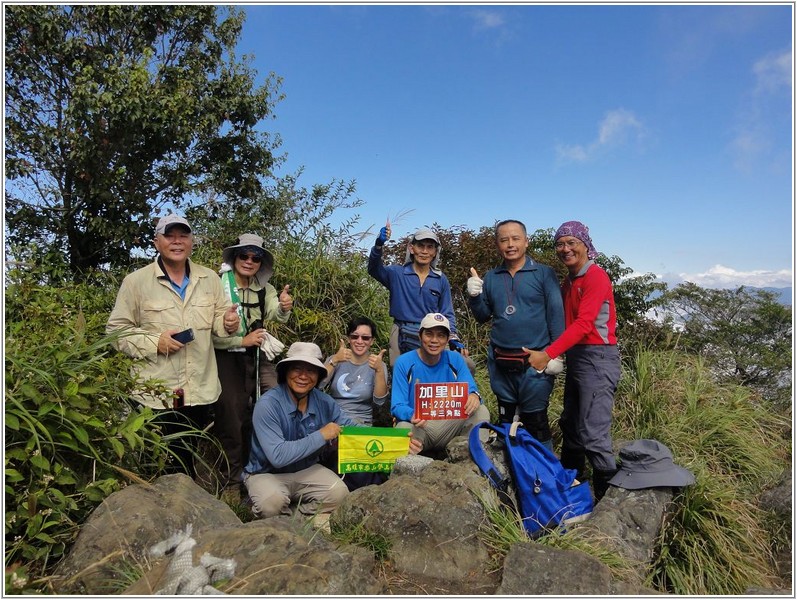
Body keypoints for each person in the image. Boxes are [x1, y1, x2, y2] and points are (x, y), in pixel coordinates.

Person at [107, 214, 241, 477]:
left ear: (192, 242)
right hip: (156, 392)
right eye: (170, 236)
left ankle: (185, 506)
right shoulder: (136, 282)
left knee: (187, 456)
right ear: (156, 242)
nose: (177, 242)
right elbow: (115, 332)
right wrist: (155, 341)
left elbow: (219, 321)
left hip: (199, 390)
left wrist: (228, 323)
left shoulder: (210, 279)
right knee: (158, 461)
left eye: (184, 236)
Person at [244, 342, 421, 519]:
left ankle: (292, 518)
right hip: (266, 472)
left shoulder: (323, 401)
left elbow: (354, 428)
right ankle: (269, 513)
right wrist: (321, 435)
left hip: (306, 470)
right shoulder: (268, 405)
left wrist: (398, 442)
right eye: (297, 369)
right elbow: (278, 456)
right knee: (271, 504)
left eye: (311, 371)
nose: (303, 376)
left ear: (319, 375)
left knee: (339, 494)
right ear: (286, 372)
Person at [527, 221, 620, 500]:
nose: (565, 249)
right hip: (579, 356)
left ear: (585, 245)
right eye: (560, 244)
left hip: (599, 357)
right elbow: (564, 323)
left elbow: (582, 325)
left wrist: (548, 354)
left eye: (571, 243)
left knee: (593, 429)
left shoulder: (595, 277)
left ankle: (607, 497)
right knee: (570, 422)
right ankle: (573, 483)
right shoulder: (570, 280)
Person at [466, 219, 565, 451]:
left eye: (515, 238)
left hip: (535, 362)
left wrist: (556, 355)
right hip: (501, 362)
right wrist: (474, 296)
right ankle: (510, 477)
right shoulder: (491, 277)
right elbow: (482, 316)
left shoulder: (543, 274)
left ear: (526, 242)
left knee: (536, 422)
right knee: (506, 422)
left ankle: (546, 478)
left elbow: (556, 315)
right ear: (497, 245)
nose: (510, 244)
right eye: (504, 240)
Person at [212, 233, 293, 489]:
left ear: (261, 262)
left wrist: (283, 306)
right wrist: (241, 341)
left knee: (273, 401)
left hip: (256, 356)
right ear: (235, 257)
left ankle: (265, 467)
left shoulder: (264, 289)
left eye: (255, 257)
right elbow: (208, 330)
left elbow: (276, 315)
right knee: (231, 414)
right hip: (226, 355)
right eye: (244, 255)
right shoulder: (218, 286)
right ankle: (232, 480)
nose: (249, 261)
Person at [368, 223, 471, 368]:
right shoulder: (397, 273)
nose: (424, 251)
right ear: (412, 248)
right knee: (402, 371)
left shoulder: (440, 279)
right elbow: (374, 269)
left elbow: (447, 312)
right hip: (401, 331)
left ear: (435, 252)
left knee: (463, 366)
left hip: (432, 333)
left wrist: (452, 336)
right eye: (420, 246)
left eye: (429, 247)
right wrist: (378, 245)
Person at [391, 313, 490, 454]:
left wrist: (474, 395)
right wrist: (412, 414)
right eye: (429, 334)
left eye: (441, 336)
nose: (434, 340)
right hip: (420, 425)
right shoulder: (404, 362)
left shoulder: (455, 359)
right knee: (402, 429)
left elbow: (471, 389)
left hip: (450, 425)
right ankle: (409, 468)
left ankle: (474, 458)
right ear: (420, 336)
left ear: (447, 339)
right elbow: (397, 405)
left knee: (481, 411)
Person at [319, 317, 390, 490]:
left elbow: (379, 401)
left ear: (372, 340)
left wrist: (379, 370)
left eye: (365, 338)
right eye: (355, 336)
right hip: (332, 422)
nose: (360, 341)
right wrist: (334, 361)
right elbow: (316, 385)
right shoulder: (335, 359)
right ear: (348, 338)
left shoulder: (378, 365)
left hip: (361, 425)